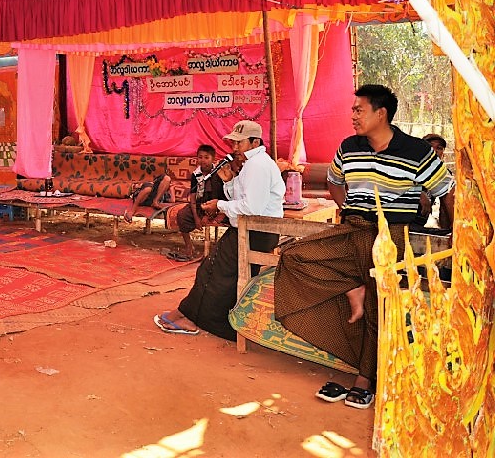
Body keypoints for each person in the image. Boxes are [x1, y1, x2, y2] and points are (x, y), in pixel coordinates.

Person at [273, 85, 454, 411]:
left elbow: (446, 190)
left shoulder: (416, 151)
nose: (353, 116)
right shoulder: (349, 146)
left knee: (376, 306)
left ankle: (363, 381)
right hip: (353, 227)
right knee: (294, 256)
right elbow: (333, 180)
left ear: (380, 113)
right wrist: (348, 208)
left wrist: (456, 234)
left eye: (359, 110)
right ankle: (353, 288)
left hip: (391, 236)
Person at [153, 120, 284, 340]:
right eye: (234, 143)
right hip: (252, 230)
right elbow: (242, 199)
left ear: (255, 142)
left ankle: (189, 317)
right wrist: (230, 182)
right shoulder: (252, 164)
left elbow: (251, 208)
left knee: (210, 271)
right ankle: (210, 320)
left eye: (240, 143)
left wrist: (219, 205)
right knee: (219, 273)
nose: (235, 148)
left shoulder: (257, 165)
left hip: (255, 231)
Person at [162, 144, 227, 261]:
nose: (203, 160)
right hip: (200, 203)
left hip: (219, 203)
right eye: (200, 157)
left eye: (206, 157)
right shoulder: (196, 174)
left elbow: (223, 194)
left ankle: (220, 251)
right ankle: (189, 247)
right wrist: (196, 217)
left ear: (213, 159)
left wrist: (214, 212)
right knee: (182, 215)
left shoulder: (219, 172)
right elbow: (193, 197)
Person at [417, 133, 453, 231]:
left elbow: (445, 206)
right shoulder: (412, 165)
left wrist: (449, 230)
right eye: (430, 147)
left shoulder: (444, 174)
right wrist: (419, 194)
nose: (434, 151)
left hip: (420, 224)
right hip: (398, 221)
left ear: (443, 154)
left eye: (439, 148)